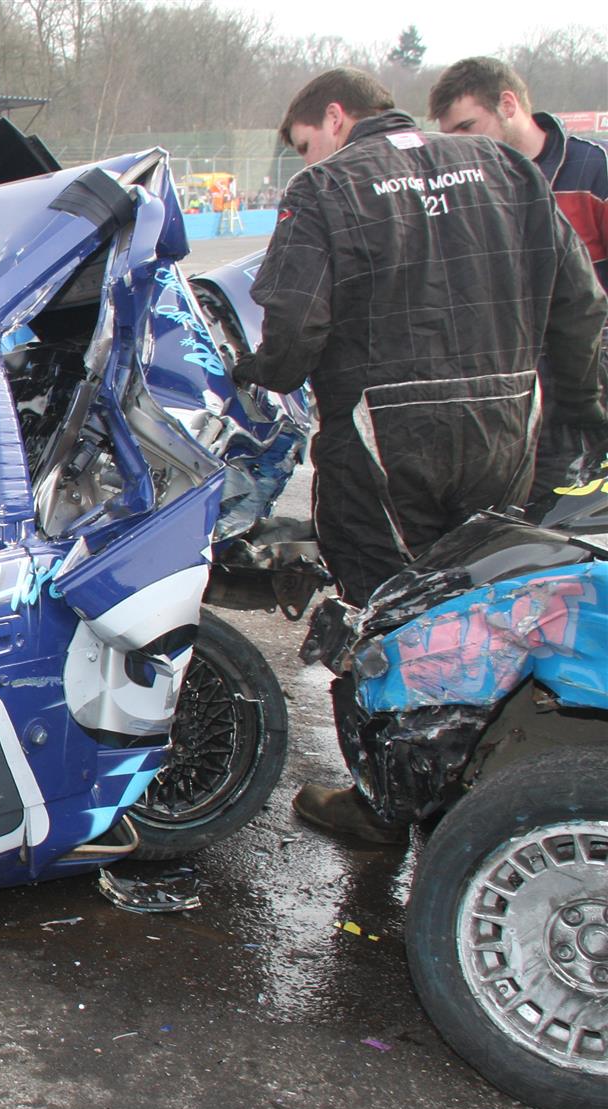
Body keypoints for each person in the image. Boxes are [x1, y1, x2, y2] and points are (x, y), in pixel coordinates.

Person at [232, 67, 607, 841]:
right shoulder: (507, 168)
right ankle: (476, 782)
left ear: (335, 119)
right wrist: (580, 423)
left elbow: (295, 328)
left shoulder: (325, 188)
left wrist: (259, 376)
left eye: (304, 143)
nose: (306, 158)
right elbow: (580, 308)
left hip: (383, 445)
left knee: (383, 614)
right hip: (506, 432)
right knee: (486, 603)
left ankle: (385, 801)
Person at [430, 56, 608, 502]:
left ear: (508, 105)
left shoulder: (594, 169)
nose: (460, 144)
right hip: (501, 395)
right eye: (450, 136)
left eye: (468, 127)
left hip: (586, 381)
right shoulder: (461, 187)